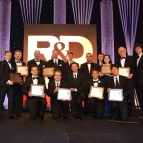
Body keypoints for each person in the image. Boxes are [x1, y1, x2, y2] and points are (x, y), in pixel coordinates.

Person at [115, 46, 136, 118]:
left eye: (122, 51)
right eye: (119, 52)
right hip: (122, 80)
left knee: (131, 96)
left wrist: (131, 74)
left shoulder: (131, 58)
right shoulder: (117, 59)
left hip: (130, 79)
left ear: (125, 51)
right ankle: (125, 111)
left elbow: (134, 68)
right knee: (123, 95)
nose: (121, 53)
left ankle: (132, 112)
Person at [0, 51, 18, 120]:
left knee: (11, 100)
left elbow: (14, 74)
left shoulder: (13, 63)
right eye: (7, 55)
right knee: (1, 100)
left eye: (10, 55)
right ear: (4, 56)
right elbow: (1, 74)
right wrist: (8, 81)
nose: (9, 56)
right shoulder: (2, 63)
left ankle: (11, 114)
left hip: (11, 85)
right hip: (3, 85)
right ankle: (1, 115)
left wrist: (16, 80)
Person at [11, 50, 26, 118]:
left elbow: (25, 73)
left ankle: (19, 113)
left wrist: (25, 75)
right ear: (14, 55)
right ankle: (12, 113)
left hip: (20, 83)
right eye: (16, 54)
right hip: (13, 83)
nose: (18, 55)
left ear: (21, 55)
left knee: (19, 98)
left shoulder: (23, 63)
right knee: (12, 98)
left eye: (19, 54)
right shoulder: (11, 63)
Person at [134, 44, 143, 119]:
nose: (137, 50)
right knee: (140, 98)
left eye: (138, 48)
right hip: (137, 82)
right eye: (136, 49)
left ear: (141, 49)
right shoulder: (135, 59)